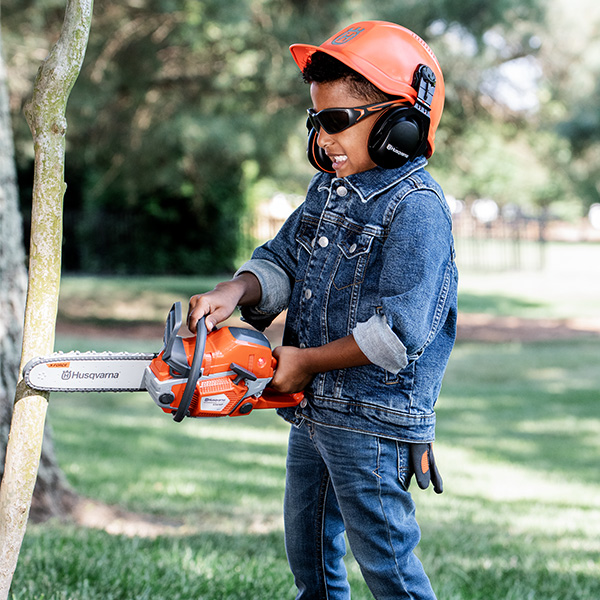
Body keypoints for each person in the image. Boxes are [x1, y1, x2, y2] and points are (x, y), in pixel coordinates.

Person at [188, 20, 458, 600]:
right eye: (316, 121)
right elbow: (282, 260)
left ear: (400, 125)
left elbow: (398, 334)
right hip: (312, 412)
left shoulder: (418, 210)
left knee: (386, 566)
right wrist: (234, 292)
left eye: (337, 121)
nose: (323, 137)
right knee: (308, 558)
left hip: (372, 421)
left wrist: (305, 360)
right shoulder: (327, 193)